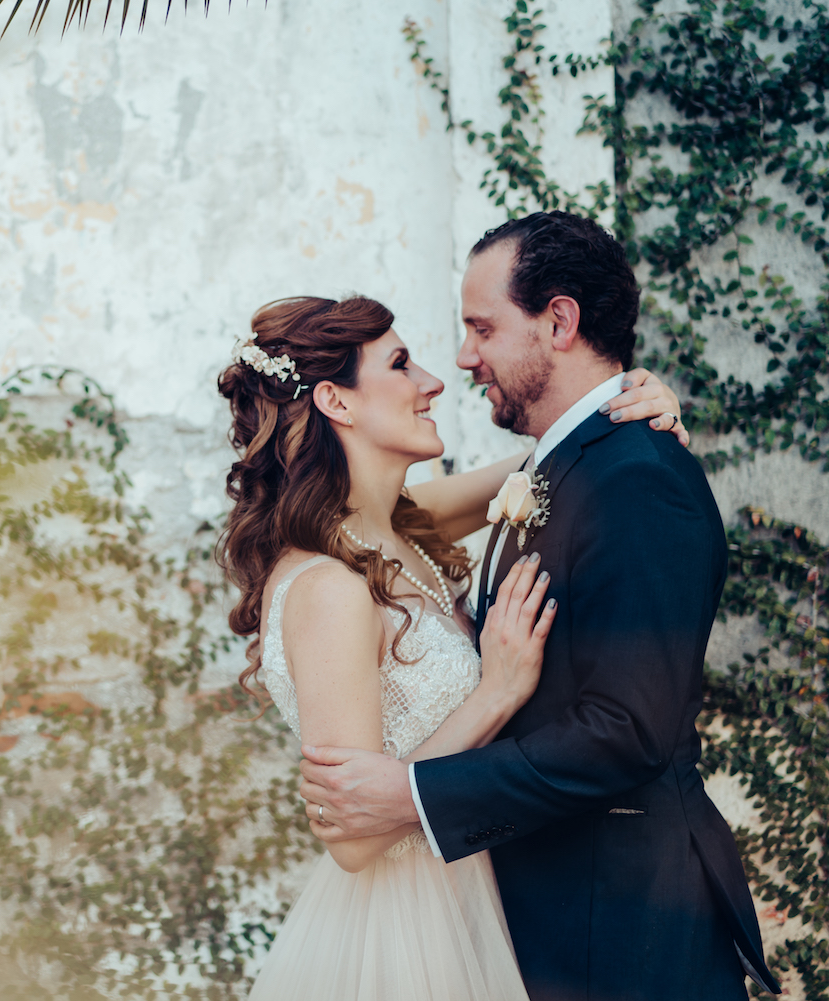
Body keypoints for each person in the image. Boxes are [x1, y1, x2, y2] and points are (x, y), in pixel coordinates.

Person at [295, 211, 780, 1000]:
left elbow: (629, 731)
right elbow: (433, 506)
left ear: (559, 321)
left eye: (482, 328)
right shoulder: (542, 478)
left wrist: (411, 795)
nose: (458, 360)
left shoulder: (639, 478)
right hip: (526, 925)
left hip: (620, 934)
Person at [217, 288, 688, 1001]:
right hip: (404, 933)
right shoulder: (329, 587)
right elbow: (352, 839)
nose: (433, 381)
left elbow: (550, 462)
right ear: (336, 403)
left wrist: (629, 400)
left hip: (481, 889)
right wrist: (496, 692)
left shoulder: (400, 530)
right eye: (401, 364)